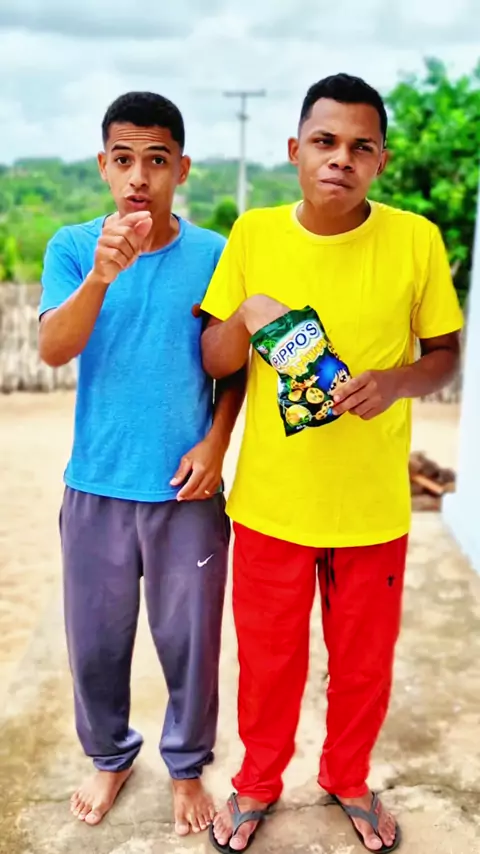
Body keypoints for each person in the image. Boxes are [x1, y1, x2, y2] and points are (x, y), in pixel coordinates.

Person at [200, 74, 463, 853]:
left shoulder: (416, 239)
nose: (340, 158)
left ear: (381, 161)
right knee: (268, 662)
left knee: (363, 664)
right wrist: (248, 314)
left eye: (360, 146)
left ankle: (348, 776)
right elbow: (215, 357)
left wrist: (397, 382)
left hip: (371, 504)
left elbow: (445, 354)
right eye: (325, 141)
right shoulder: (255, 235)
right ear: (295, 150)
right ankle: (258, 781)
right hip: (272, 503)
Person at [38, 92, 245, 835]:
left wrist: (217, 442)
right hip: (96, 484)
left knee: (191, 643)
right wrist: (100, 276)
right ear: (103, 165)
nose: (138, 177)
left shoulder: (214, 255)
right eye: (123, 159)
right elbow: (53, 349)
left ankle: (186, 767)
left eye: (156, 160)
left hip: (186, 493)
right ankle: (111, 755)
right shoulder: (71, 247)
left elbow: (233, 365)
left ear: (181, 169)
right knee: (95, 642)